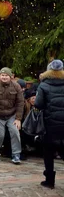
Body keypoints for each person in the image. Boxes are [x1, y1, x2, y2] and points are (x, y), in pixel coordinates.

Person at [0, 67, 24, 164]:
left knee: (15, 132)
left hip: (11, 115)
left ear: (10, 76)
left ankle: (16, 154)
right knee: (0, 135)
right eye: (2, 75)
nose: (4, 77)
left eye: (6, 75)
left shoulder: (16, 86)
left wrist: (18, 118)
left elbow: (20, 102)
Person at [35, 59, 64, 189]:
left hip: (49, 123)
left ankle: (49, 180)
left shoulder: (44, 84)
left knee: (48, 152)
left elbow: (39, 104)